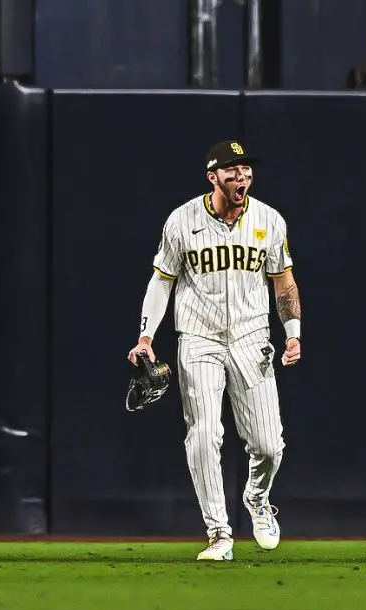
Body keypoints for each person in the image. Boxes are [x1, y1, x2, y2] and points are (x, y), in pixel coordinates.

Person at [128, 141, 302, 561]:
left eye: (245, 170)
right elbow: (161, 281)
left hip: (251, 337)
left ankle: (258, 499)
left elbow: (284, 283)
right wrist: (146, 335)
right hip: (198, 338)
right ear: (213, 177)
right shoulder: (182, 221)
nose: (241, 178)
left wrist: (293, 332)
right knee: (204, 433)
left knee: (268, 445)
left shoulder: (269, 220)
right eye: (231, 171)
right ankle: (219, 534)